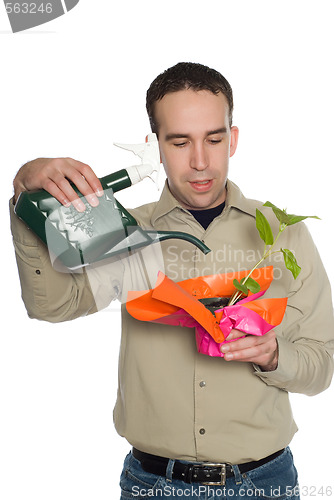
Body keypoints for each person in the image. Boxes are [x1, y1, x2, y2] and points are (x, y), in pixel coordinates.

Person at [10, 62, 334, 499]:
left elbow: (322, 366)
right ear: (156, 145)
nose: (200, 161)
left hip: (265, 484)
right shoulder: (121, 230)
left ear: (232, 140)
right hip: (152, 485)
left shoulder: (284, 233)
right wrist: (26, 201)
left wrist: (274, 354)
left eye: (214, 140)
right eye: (179, 142)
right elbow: (52, 306)